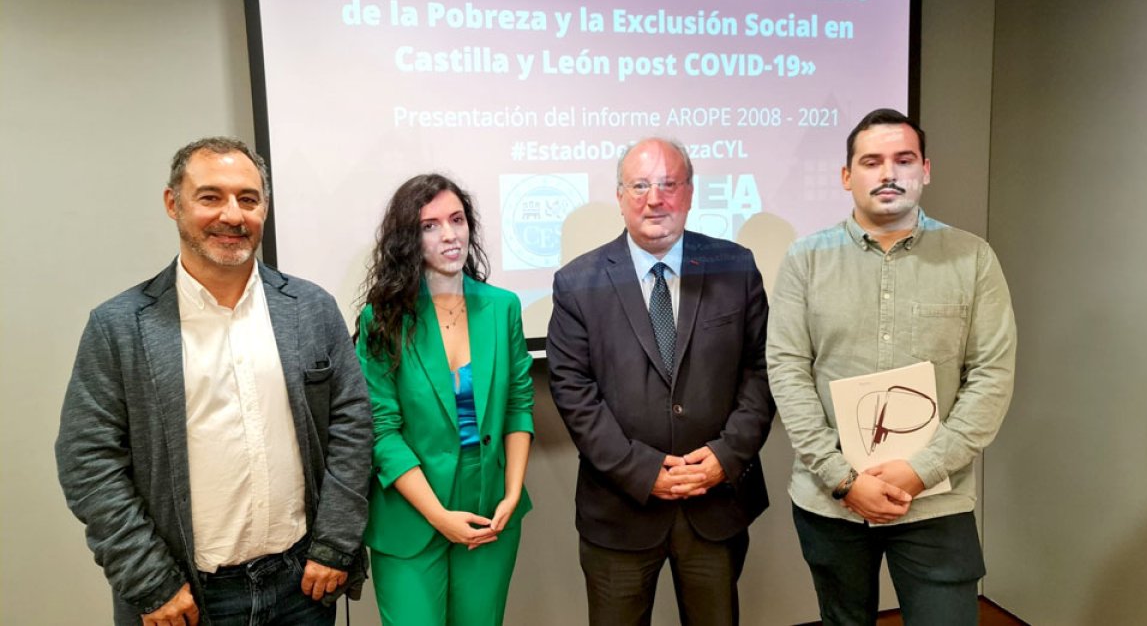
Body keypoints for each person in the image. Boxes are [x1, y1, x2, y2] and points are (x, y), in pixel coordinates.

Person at [55, 137, 373, 626]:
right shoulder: (119, 326)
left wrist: (335, 545)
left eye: (248, 199)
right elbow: (87, 460)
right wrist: (150, 581)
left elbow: (352, 427)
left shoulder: (311, 309)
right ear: (172, 203)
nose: (233, 215)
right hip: (187, 599)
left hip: (303, 587)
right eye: (210, 197)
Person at [767, 108, 1017, 625]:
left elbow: (991, 378)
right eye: (871, 161)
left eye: (903, 160)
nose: (888, 173)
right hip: (831, 498)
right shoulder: (805, 260)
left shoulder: (972, 258)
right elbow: (788, 370)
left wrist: (919, 471)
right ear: (846, 176)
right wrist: (842, 477)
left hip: (936, 498)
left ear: (925, 169)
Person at [547, 138, 774, 626]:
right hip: (620, 511)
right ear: (620, 195)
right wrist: (641, 469)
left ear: (689, 193)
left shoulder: (736, 266)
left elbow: (761, 370)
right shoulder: (576, 281)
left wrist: (725, 457)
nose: (656, 198)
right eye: (641, 185)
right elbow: (573, 391)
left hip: (714, 504)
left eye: (669, 184)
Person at [355, 174, 534, 626]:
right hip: (411, 514)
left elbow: (517, 404)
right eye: (429, 225)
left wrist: (511, 492)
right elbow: (383, 430)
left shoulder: (504, 307)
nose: (449, 235)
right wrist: (438, 515)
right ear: (407, 240)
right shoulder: (382, 318)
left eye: (456, 220)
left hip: (489, 507)